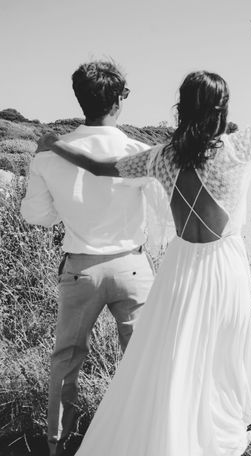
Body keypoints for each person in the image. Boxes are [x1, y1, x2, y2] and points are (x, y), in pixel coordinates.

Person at [37, 20, 251, 455]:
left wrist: (56, 146)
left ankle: (178, 421)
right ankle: (222, 420)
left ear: (182, 107)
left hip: (181, 263)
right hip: (225, 261)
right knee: (225, 343)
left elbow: (102, 169)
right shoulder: (238, 147)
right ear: (222, 109)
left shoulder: (161, 157)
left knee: (179, 351)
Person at [21, 60, 157, 456]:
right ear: (118, 100)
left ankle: (58, 444)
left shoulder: (49, 156)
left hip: (80, 267)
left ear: (80, 99)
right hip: (133, 264)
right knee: (142, 358)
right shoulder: (137, 151)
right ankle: (143, 438)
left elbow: (37, 216)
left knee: (66, 360)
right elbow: (162, 211)